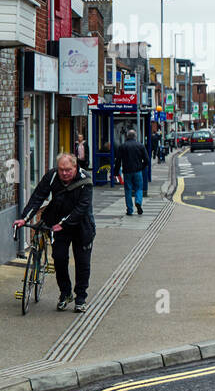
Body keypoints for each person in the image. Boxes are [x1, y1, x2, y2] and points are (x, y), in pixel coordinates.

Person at [14, 153, 95, 312]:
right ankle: (65, 293)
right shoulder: (51, 176)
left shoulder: (86, 180)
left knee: (82, 263)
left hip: (82, 226)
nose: (64, 173)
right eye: (61, 170)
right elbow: (38, 197)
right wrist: (25, 218)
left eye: (68, 170)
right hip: (59, 225)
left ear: (75, 167)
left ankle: (80, 298)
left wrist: (64, 224)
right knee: (58, 258)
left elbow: (82, 208)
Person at [114, 128, 149, 215]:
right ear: (135, 136)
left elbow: (118, 160)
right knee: (139, 188)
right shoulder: (140, 146)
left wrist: (116, 172)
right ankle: (138, 202)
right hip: (137, 171)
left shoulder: (122, 146)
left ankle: (130, 210)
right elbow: (147, 160)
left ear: (127, 136)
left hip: (127, 171)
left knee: (128, 190)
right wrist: (141, 166)